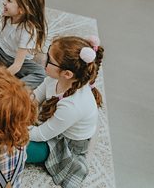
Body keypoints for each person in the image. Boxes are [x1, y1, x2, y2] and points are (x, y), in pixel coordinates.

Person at [26, 36, 104, 188]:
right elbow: (34, 98)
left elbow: (40, 135)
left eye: (49, 59)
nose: (43, 60)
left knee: (17, 147)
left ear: (67, 74)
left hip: (65, 144)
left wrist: (12, 128)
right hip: (54, 127)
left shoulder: (72, 106)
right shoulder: (54, 79)